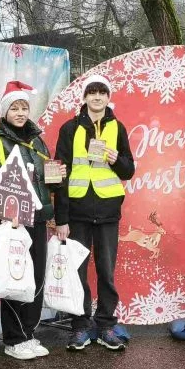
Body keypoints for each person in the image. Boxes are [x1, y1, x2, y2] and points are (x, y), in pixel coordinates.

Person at [53, 73, 136, 351]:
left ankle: (106, 326)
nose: (97, 97)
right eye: (92, 92)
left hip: (108, 211)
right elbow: (59, 175)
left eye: (102, 92)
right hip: (77, 212)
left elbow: (129, 170)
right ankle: (80, 326)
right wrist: (61, 218)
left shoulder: (118, 127)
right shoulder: (69, 128)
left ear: (109, 97)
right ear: (85, 97)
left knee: (106, 272)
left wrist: (116, 159)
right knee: (77, 272)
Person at [0, 80, 59, 360]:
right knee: (16, 276)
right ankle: (14, 339)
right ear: (5, 112)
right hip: (12, 220)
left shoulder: (38, 140)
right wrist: (6, 214)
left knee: (35, 275)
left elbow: (46, 176)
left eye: (24, 107)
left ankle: (29, 333)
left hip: (38, 217)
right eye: (14, 107)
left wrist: (56, 177)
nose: (19, 112)